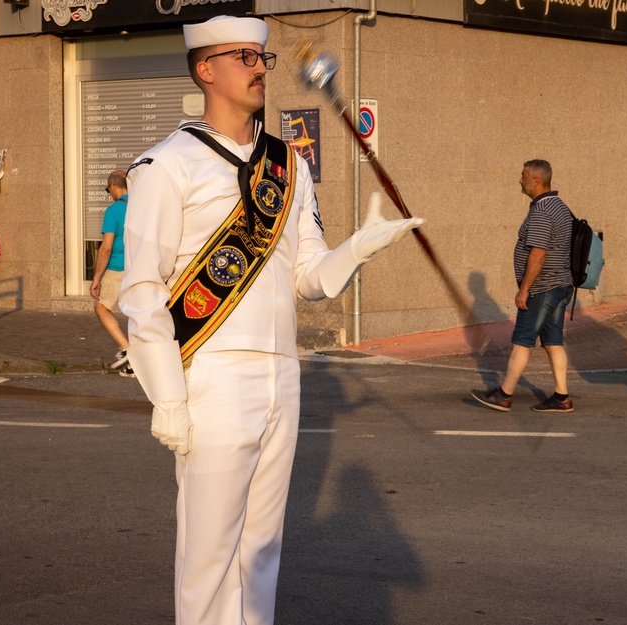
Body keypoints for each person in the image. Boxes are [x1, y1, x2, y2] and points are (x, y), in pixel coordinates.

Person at [118, 15, 422, 625]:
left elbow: (308, 277)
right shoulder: (166, 165)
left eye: (263, 58)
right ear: (205, 69)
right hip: (212, 376)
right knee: (209, 555)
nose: (260, 68)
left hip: (283, 373)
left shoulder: (288, 166)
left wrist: (356, 249)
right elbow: (143, 290)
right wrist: (168, 397)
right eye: (244, 58)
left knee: (261, 553)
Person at [471, 159, 575, 413]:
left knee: (522, 340)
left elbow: (538, 253)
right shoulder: (559, 206)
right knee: (553, 341)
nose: (520, 180)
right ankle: (562, 397)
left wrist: (524, 288)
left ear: (536, 180)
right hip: (560, 285)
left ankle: (504, 395)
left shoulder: (542, 211)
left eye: (523, 176)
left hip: (542, 288)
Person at [89, 169, 133, 377]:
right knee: (137, 314)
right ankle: (136, 364)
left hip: (117, 268)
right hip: (139, 267)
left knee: (102, 308)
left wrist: (97, 277)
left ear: (114, 187)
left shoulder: (114, 211)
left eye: (108, 190)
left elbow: (106, 247)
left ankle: (128, 350)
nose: (110, 193)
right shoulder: (141, 207)